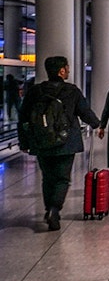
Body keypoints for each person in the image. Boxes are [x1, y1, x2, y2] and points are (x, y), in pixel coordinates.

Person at [17, 56, 101, 230]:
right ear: (61, 71)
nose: (68, 70)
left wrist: (24, 142)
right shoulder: (71, 91)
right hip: (66, 142)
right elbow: (84, 112)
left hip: (41, 141)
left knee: (48, 178)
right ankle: (54, 210)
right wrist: (97, 124)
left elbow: (23, 117)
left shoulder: (35, 91)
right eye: (67, 68)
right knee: (63, 179)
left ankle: (49, 208)